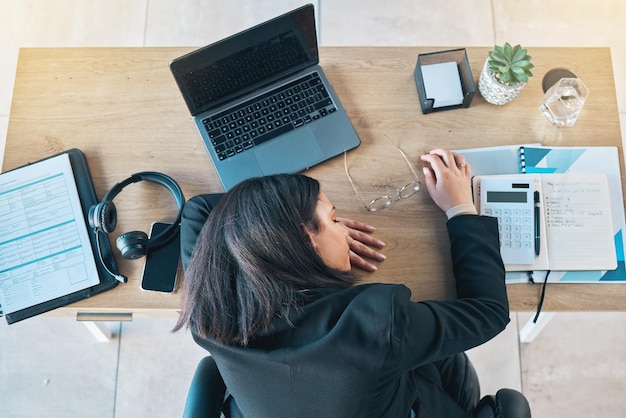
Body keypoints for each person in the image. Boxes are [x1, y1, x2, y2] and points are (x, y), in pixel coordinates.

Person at [174, 149, 510, 417]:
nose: (340, 226)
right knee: (445, 353)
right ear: (308, 243)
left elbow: (198, 210)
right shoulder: (379, 325)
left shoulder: (212, 309)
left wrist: (296, 238)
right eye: (334, 219)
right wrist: (461, 208)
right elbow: (488, 312)